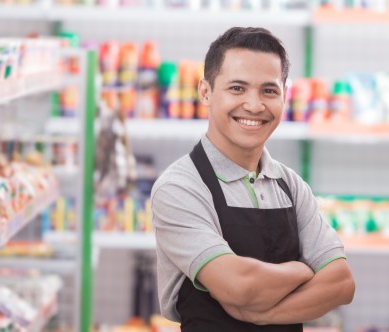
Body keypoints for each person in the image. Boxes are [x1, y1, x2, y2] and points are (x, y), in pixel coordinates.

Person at [151, 27, 355, 331]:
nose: (254, 105)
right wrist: (303, 270)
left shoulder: (290, 185)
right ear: (205, 92)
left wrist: (262, 315)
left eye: (269, 91)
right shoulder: (180, 187)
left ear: (284, 96)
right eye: (237, 88)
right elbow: (239, 286)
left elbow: (341, 284)